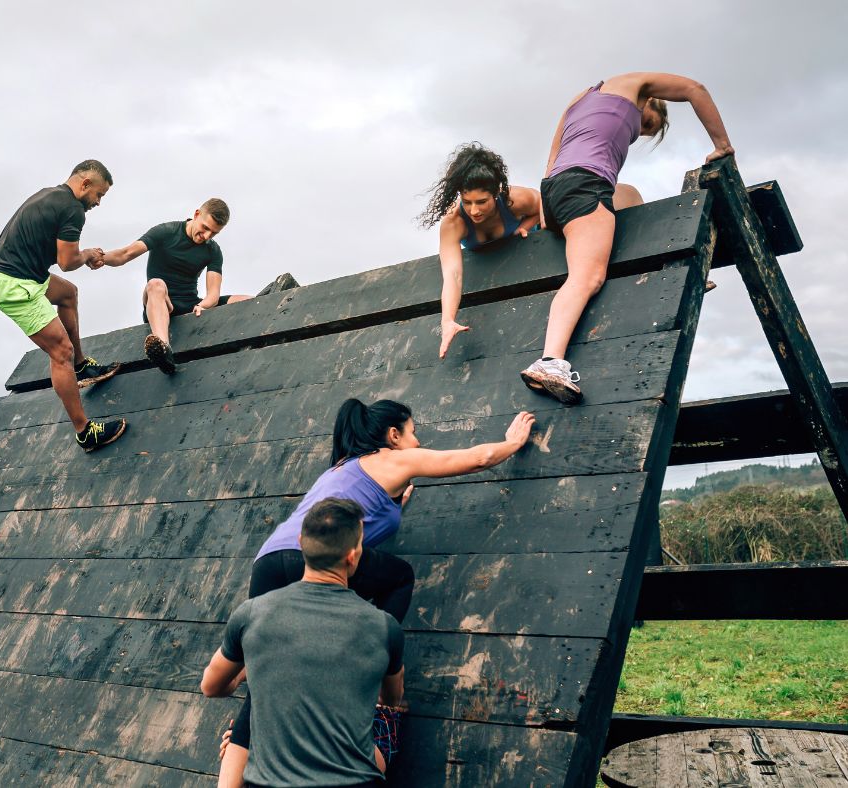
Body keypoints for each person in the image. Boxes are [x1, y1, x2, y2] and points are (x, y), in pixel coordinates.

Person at [217, 398, 536, 786]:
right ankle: (366, 651)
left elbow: (357, 512)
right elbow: (479, 458)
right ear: (393, 434)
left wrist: (394, 503)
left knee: (258, 696)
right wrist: (513, 442)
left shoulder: (341, 470)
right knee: (400, 578)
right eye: (414, 431)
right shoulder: (392, 459)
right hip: (310, 560)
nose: (418, 441)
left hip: (270, 560)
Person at [520, 73, 734, 404]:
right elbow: (696, 89)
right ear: (652, 103)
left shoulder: (581, 97)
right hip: (585, 184)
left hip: (558, 188)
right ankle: (550, 362)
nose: (640, 131)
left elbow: (554, 152)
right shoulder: (637, 84)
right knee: (587, 277)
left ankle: (672, 266)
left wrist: (548, 206)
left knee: (630, 195)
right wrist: (722, 146)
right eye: (647, 124)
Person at [201, 498, 406, 788]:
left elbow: (210, 687)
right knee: (390, 718)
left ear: (300, 541)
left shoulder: (251, 613)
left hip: (268, 781)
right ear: (352, 556)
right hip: (354, 782)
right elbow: (391, 699)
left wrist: (237, 683)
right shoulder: (385, 626)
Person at [422, 143, 642, 360]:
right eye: (467, 202)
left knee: (619, 200)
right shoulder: (454, 223)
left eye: (482, 202)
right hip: (506, 284)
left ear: (497, 192)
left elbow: (544, 204)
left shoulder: (514, 199)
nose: (474, 210)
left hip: (545, 261)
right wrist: (448, 320)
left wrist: (525, 227)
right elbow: (453, 274)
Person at [0, 160, 126, 452]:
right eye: (99, 195)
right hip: (14, 285)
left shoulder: (49, 194)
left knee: (68, 294)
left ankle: (80, 366)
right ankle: (84, 432)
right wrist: (87, 254)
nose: (98, 203)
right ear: (85, 184)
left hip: (19, 274)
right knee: (59, 350)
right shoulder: (73, 210)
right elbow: (67, 262)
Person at [99, 199, 252, 374]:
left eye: (214, 233)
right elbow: (125, 254)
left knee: (248, 300)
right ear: (196, 215)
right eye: (205, 228)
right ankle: (164, 349)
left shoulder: (213, 250)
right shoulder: (166, 232)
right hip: (161, 303)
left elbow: (213, 294)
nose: (207, 236)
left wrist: (203, 305)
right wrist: (101, 258)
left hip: (191, 305)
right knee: (155, 284)